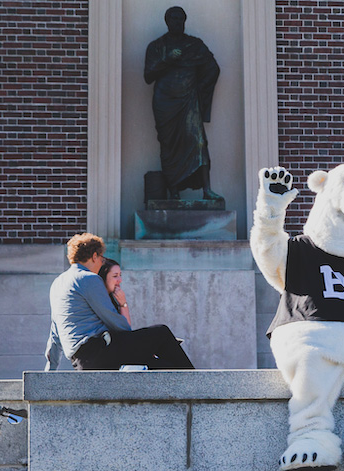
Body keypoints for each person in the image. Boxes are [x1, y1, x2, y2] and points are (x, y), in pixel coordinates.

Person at [45, 233, 194, 371]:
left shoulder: (57, 284)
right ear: (94, 256)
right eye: (102, 259)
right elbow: (111, 318)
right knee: (162, 332)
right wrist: (136, 341)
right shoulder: (88, 279)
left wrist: (50, 370)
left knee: (161, 366)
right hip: (98, 352)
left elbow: (55, 332)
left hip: (81, 361)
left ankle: (192, 387)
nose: (101, 264)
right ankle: (199, 382)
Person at [144, 6, 222, 201]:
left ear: (184, 22)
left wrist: (198, 89)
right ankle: (174, 192)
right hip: (165, 105)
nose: (177, 22)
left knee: (199, 142)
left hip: (189, 102)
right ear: (167, 21)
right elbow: (148, 75)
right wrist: (167, 60)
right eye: (173, 19)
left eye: (180, 19)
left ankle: (207, 189)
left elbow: (213, 68)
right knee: (169, 146)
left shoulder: (194, 45)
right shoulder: (157, 46)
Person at [97, 258, 132, 327]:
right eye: (115, 276)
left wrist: (123, 304)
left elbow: (128, 328)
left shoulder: (112, 299)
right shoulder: (99, 300)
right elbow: (124, 327)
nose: (120, 280)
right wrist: (123, 304)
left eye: (120, 275)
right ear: (103, 277)